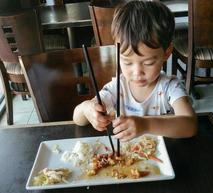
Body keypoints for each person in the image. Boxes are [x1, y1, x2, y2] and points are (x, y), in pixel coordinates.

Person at [73, 0, 197, 141]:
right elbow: (77, 118)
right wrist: (86, 109)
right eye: (127, 62)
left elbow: (190, 125)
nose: (137, 72)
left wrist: (146, 124)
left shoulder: (170, 87)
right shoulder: (117, 88)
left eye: (148, 62)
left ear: (167, 53)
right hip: (130, 157)